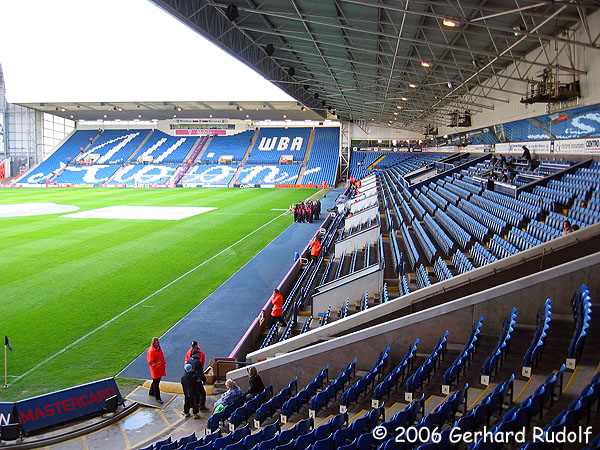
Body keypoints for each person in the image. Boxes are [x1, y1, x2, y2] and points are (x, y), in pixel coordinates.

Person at [146, 337, 166, 404]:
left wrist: (162, 363)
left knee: (155, 382)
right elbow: (151, 362)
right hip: (156, 370)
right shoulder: (151, 351)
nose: (157, 343)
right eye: (156, 342)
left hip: (160, 368)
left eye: (158, 342)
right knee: (156, 384)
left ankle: (151, 392)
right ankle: (158, 398)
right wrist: (158, 364)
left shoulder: (158, 348)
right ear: (153, 343)